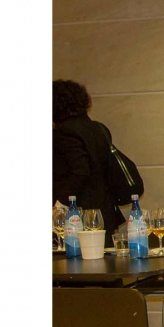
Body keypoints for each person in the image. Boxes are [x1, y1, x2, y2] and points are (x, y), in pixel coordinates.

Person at [53, 79, 126, 246]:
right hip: (104, 213)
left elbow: (80, 171)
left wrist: (59, 205)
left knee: (74, 268)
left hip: (78, 217)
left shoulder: (64, 132)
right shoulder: (99, 128)